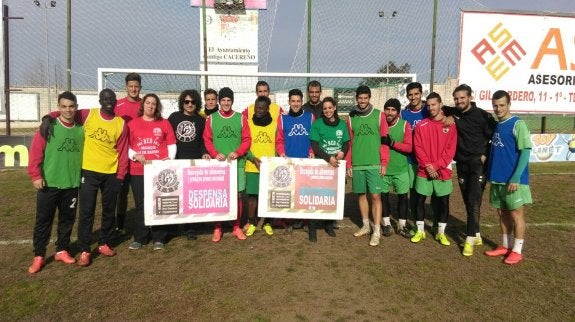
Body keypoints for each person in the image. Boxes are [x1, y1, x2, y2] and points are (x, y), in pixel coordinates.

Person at [42, 89, 129, 266]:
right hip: (89, 172)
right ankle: (84, 249)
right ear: (100, 100)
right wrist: (47, 118)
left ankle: (104, 243)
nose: (109, 101)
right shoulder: (88, 115)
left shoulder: (121, 124)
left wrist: (120, 176)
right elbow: (65, 113)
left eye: (112, 98)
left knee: (108, 211)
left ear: (115, 101)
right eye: (105, 98)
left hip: (111, 173)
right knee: (86, 212)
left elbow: (123, 152)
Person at [27, 91, 84, 274]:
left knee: (67, 220)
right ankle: (39, 255)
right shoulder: (48, 127)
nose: (68, 110)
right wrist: (35, 175)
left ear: (76, 107)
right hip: (49, 183)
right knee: (44, 220)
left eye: (71, 106)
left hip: (71, 183)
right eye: (64, 106)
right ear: (58, 108)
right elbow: (36, 152)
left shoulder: (81, 129)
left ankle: (61, 250)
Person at [443, 84, 497, 256]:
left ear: (470, 97)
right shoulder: (455, 112)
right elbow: (440, 107)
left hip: (477, 165)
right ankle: (478, 234)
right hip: (461, 164)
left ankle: (469, 240)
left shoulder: (483, 116)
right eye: (456, 98)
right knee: (468, 201)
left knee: (474, 201)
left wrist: (486, 154)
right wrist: (450, 114)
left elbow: (496, 137)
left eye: (462, 98)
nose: (459, 101)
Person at [484, 90, 532, 265]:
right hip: (497, 179)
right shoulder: (497, 125)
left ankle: (517, 251)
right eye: (495, 106)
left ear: (509, 104)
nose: (498, 109)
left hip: (513, 180)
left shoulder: (518, 124)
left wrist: (516, 177)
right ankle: (505, 246)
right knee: (501, 213)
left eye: (502, 105)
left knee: (516, 214)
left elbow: (525, 151)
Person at [128, 93, 176, 250]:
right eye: (148, 103)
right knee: (141, 204)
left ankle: (159, 238)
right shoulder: (132, 124)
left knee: (159, 203)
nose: (150, 106)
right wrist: (135, 155)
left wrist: (168, 160)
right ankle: (140, 237)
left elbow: (171, 145)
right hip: (138, 171)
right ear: (143, 105)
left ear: (157, 106)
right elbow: (126, 147)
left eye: (153, 104)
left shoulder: (164, 123)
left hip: (159, 172)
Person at [203, 87, 250, 242]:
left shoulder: (241, 118)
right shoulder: (211, 119)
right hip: (219, 165)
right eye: (223, 100)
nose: (226, 103)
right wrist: (215, 154)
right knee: (219, 196)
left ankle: (236, 226)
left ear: (232, 101)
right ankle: (218, 227)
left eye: (229, 100)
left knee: (237, 196)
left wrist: (238, 152)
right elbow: (207, 139)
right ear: (219, 101)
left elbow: (247, 139)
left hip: (237, 163)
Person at [345, 85, 390, 247]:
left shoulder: (379, 116)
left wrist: (384, 162)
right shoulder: (351, 118)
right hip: (357, 163)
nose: (362, 101)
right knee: (361, 195)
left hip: (374, 163)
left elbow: (385, 141)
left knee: (376, 196)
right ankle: (365, 225)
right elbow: (349, 143)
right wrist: (349, 163)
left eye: (365, 98)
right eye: (360, 98)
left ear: (369, 98)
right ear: (356, 98)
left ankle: (376, 230)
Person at [411, 92, 457, 246]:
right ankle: (420, 231)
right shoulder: (421, 125)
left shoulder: (450, 125)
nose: (431, 108)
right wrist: (428, 166)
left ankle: (440, 233)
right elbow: (418, 148)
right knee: (419, 201)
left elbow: (450, 150)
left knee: (443, 202)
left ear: (440, 104)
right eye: (428, 105)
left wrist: (436, 166)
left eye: (434, 104)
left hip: (443, 171)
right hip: (424, 171)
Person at [168, 89, 209, 241]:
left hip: (194, 162)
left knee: (191, 197)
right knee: (175, 195)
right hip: (177, 161)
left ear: (197, 103)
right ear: (182, 103)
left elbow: (204, 141)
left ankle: (190, 227)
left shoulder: (201, 120)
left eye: (192, 102)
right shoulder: (173, 117)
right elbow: (167, 137)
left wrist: (205, 152)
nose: (189, 104)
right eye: (186, 101)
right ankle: (172, 226)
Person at [308, 97, 350, 242]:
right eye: (325, 108)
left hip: (336, 166)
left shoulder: (342, 125)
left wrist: (343, 153)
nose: (327, 111)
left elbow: (346, 143)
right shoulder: (318, 124)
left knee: (332, 196)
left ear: (335, 108)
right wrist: (328, 158)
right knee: (316, 196)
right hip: (323, 165)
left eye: (330, 108)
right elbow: (314, 144)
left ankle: (328, 224)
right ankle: (312, 227)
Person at [276, 89, 315, 232]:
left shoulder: (310, 117)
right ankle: (290, 221)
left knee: (304, 192)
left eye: (298, 101)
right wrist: (281, 152)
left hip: (305, 161)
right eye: (293, 101)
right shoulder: (282, 118)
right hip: (289, 161)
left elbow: (314, 138)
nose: (296, 104)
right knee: (290, 192)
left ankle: (305, 221)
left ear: (302, 102)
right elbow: (279, 140)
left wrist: (311, 151)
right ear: (289, 102)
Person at [400, 82, 432, 238]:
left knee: (431, 194)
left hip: (428, 160)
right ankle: (417, 223)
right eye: (410, 95)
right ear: (407, 96)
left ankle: (436, 222)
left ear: (421, 94)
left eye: (416, 94)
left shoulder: (429, 111)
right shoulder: (403, 114)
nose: (413, 97)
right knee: (414, 193)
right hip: (410, 160)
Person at [244, 95, 279, 236]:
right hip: (252, 166)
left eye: (261, 108)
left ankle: (267, 222)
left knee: (269, 196)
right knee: (253, 197)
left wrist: (275, 162)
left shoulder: (275, 124)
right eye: (256, 107)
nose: (258, 110)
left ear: (267, 109)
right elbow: (244, 144)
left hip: (270, 168)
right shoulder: (247, 123)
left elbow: (278, 144)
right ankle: (252, 222)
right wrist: (253, 158)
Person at [114, 72, 142, 235]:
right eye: (130, 86)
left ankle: (147, 223)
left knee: (142, 194)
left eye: (136, 86)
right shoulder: (117, 105)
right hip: (122, 157)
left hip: (141, 158)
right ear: (126, 87)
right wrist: (50, 116)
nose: (133, 89)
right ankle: (120, 225)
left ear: (140, 87)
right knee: (121, 193)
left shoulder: (146, 104)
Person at [380, 98, 413, 238]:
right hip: (383, 169)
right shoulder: (379, 125)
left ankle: (402, 226)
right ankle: (387, 224)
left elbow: (409, 148)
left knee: (403, 199)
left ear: (398, 112)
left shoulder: (405, 125)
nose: (390, 112)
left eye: (393, 110)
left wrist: (393, 143)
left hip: (400, 169)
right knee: (383, 198)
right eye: (387, 109)